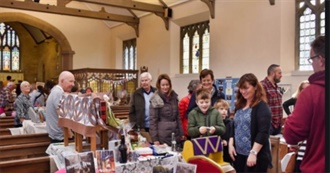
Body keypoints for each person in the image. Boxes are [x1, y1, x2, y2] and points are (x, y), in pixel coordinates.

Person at [284, 35, 325, 173]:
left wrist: (290, 117)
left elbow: (291, 134)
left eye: (311, 59)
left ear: (320, 60)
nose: (311, 64)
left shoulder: (312, 93)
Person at [228, 73, 272, 172]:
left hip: (254, 155)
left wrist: (253, 153)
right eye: (241, 88)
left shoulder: (262, 107)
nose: (243, 91)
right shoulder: (240, 105)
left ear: (255, 87)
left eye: (246, 88)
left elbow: (263, 132)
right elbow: (234, 125)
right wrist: (231, 144)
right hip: (239, 154)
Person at [149, 74, 184, 146]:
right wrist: (155, 139)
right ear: (159, 85)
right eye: (163, 85)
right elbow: (153, 120)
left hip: (175, 134)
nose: (165, 87)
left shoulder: (174, 97)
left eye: (167, 85)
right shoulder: (155, 98)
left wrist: (181, 133)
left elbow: (178, 117)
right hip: (162, 135)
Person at [46, 71, 75, 143]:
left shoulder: (55, 91)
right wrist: (69, 134)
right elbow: (62, 115)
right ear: (62, 81)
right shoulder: (58, 93)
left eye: (73, 82)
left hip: (56, 134)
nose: (73, 84)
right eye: (70, 81)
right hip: (60, 136)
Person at [260, 64, 283, 135]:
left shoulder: (276, 87)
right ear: (272, 73)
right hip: (269, 124)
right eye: (279, 73)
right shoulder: (262, 86)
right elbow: (261, 107)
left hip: (278, 124)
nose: (281, 75)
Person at [214, 99, 233, 164]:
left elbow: (232, 136)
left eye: (226, 109)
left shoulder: (230, 123)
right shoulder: (213, 123)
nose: (224, 111)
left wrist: (227, 142)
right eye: (221, 109)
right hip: (216, 153)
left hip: (227, 153)